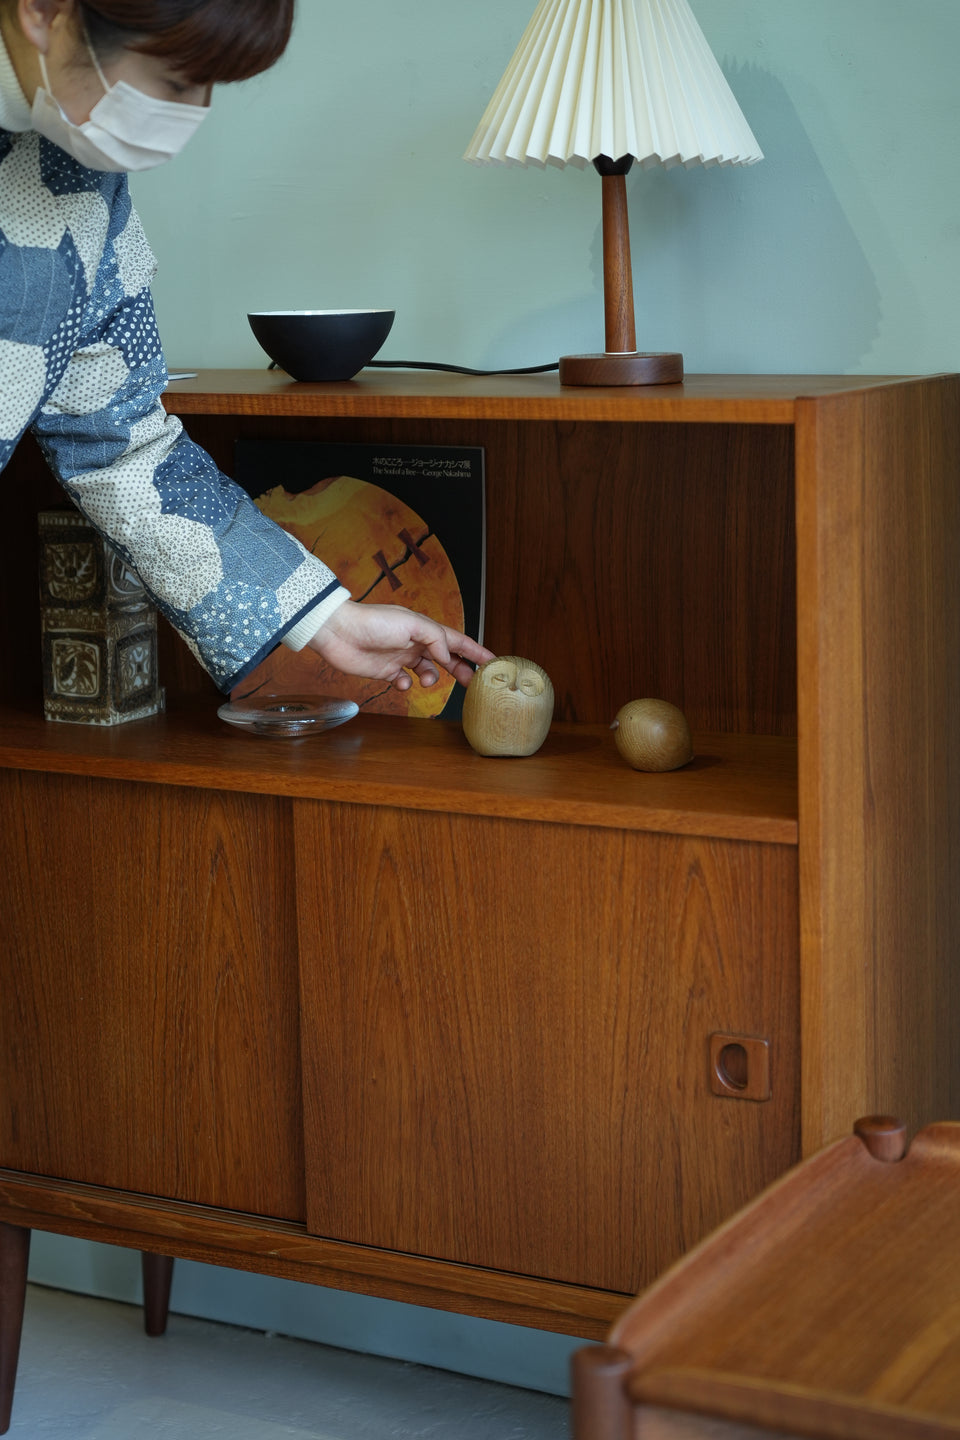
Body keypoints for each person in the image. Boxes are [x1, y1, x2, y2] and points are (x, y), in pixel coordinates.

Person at [0, 0, 494, 695]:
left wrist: (327, 617)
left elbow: (123, 443)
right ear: (44, 11)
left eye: (208, 88)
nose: (189, 113)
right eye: (175, 81)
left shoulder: (77, 182)